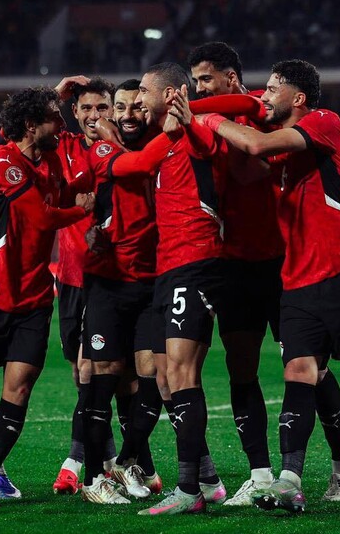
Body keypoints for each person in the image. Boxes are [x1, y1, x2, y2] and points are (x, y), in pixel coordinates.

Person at [202, 59, 340, 511]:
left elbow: (254, 144)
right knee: (299, 371)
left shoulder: (324, 122)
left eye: (273, 88)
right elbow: (245, 165)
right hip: (297, 277)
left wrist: (209, 117)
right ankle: (289, 479)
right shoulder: (280, 147)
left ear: (297, 98)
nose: (264, 95)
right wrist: (228, 106)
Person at [187, 41, 340, 506]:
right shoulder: (206, 120)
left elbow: (251, 165)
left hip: (286, 263)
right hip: (235, 262)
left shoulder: (263, 110)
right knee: (241, 368)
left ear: (230, 77)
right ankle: (261, 475)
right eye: (194, 82)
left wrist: (205, 114)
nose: (198, 89)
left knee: (310, 369)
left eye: (205, 79)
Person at [0, 86, 95, 509]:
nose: (63, 123)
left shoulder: (49, 160)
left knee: (19, 392)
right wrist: (84, 208)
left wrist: (96, 179)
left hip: (34, 299)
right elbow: (43, 216)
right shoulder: (1, 161)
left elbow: (62, 192)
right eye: (55, 116)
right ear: (32, 126)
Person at [132, 63, 229, 516]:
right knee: (166, 376)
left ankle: (189, 490)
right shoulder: (162, 143)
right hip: (168, 267)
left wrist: (189, 119)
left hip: (197, 262)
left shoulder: (196, 131)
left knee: (183, 372)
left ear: (170, 93)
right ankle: (207, 479)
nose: (138, 100)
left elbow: (208, 147)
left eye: (144, 91)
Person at [79, 78, 179, 504]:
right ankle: (92, 478)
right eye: (118, 107)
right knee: (101, 379)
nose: (126, 114)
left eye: (135, 106)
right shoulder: (104, 149)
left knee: (152, 377)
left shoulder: (161, 144)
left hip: (154, 280)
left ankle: (127, 459)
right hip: (110, 280)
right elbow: (136, 168)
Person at [51, 76, 120, 495]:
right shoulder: (64, 146)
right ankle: (114, 462)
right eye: (87, 108)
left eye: (102, 107)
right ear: (74, 113)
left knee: (94, 370)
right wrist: (56, 95)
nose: (95, 115)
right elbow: (19, 130)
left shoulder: (125, 146)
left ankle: (76, 461)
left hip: (109, 276)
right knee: (81, 376)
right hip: (70, 278)